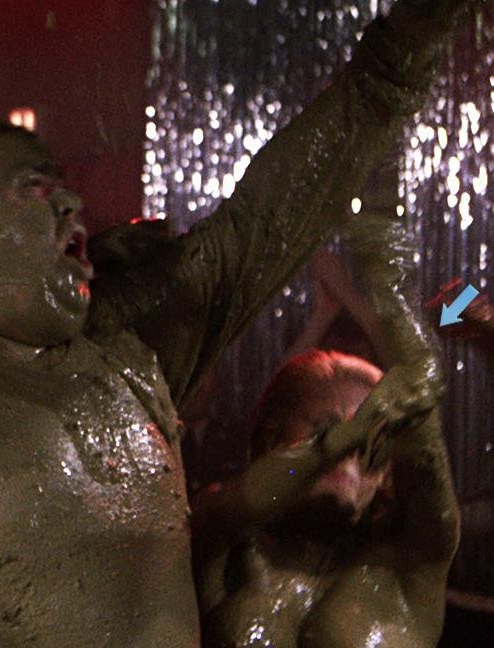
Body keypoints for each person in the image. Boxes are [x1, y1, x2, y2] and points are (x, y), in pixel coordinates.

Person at [0, 0, 481, 644]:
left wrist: (403, 48)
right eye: (34, 183)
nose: (70, 200)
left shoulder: (128, 355)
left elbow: (266, 220)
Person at [192, 208, 458, 647]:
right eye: (326, 430)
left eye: (373, 446)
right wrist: (342, 436)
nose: (353, 457)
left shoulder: (407, 562)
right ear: (271, 440)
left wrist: (389, 289)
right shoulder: (228, 548)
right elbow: (236, 501)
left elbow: (420, 384)